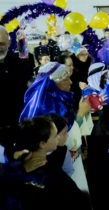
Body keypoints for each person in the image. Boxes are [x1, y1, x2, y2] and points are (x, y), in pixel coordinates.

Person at [19, 62, 92, 192]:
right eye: (65, 79)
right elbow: (65, 137)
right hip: (58, 167)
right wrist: (81, 113)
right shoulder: (47, 107)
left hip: (69, 159)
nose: (70, 82)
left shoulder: (59, 100)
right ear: (51, 83)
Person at [3, 116, 91, 210]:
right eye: (55, 135)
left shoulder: (10, 169)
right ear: (42, 144)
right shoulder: (55, 177)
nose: (58, 138)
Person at [0, 26, 33, 154]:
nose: (0, 47)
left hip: (17, 126)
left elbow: (27, 75)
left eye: (2, 43)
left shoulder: (17, 61)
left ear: (8, 43)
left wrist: (23, 46)